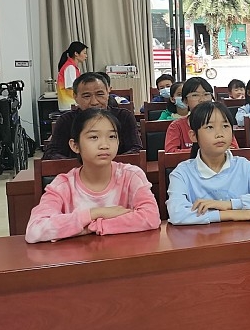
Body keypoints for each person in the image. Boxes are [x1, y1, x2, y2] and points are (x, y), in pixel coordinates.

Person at [26, 108, 160, 243]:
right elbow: (34, 230)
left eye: (112, 136)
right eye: (94, 137)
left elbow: (151, 217)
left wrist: (95, 226)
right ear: (75, 145)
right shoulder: (62, 186)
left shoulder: (131, 176)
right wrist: (95, 213)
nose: (104, 145)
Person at [166, 102, 250, 225]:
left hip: (243, 235)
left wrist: (229, 204)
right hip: (203, 236)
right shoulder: (182, 173)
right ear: (193, 136)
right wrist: (231, 214)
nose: (220, 134)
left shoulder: (244, 166)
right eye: (210, 127)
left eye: (225, 126)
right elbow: (177, 214)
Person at [44, 72, 142, 160]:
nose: (94, 102)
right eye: (86, 96)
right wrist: (85, 166)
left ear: (108, 93)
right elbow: (51, 154)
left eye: (100, 94)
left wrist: (107, 164)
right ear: (75, 97)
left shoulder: (124, 117)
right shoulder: (66, 120)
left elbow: (136, 150)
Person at [166, 77, 239, 152]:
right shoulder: (176, 126)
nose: (202, 100)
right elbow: (171, 152)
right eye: (195, 95)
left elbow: (234, 149)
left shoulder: (221, 122)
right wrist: (206, 151)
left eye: (206, 94)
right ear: (185, 101)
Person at [56, 41, 88, 111]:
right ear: (76, 53)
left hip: (71, 103)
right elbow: (71, 86)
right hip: (69, 104)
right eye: (84, 53)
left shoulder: (73, 67)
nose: (86, 56)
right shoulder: (70, 67)